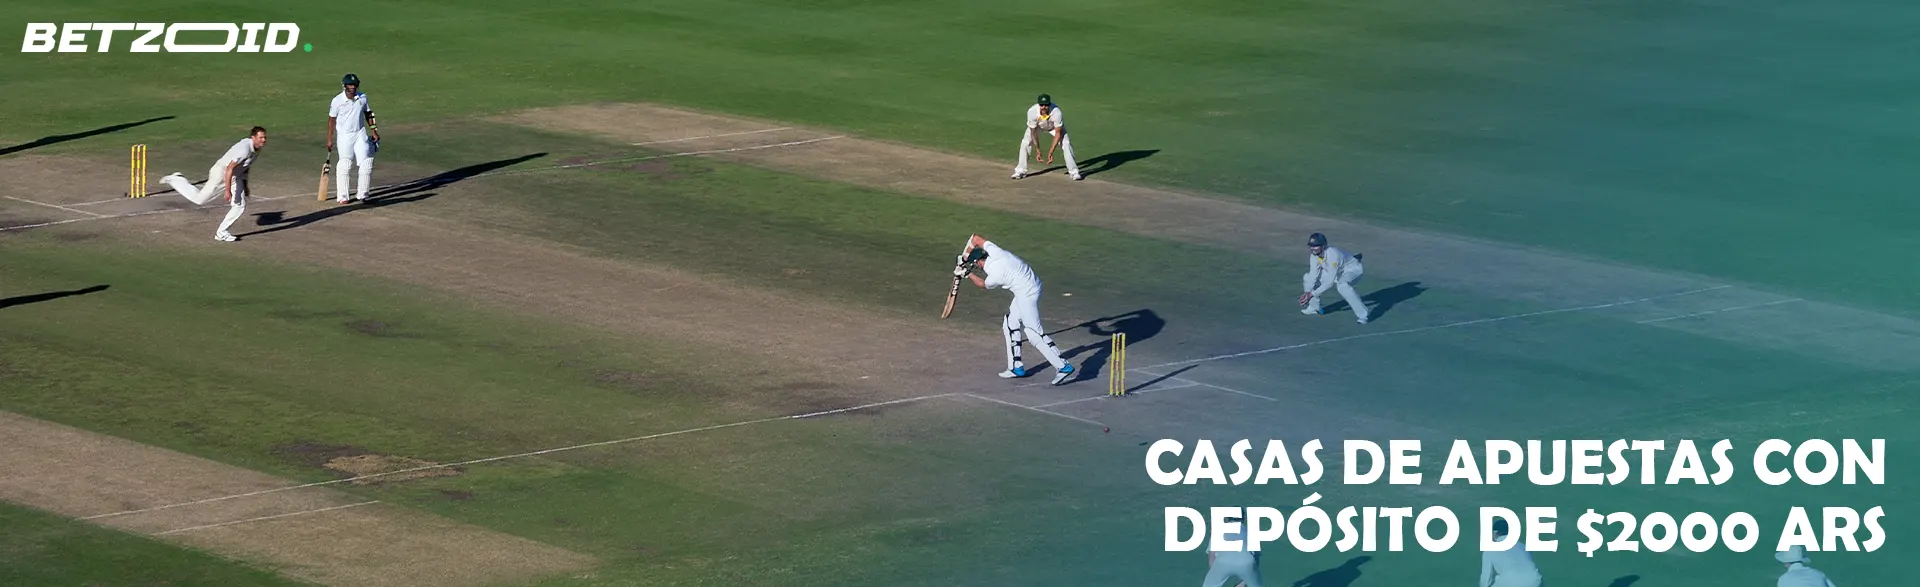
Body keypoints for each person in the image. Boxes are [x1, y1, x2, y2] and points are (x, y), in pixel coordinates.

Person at [959, 234, 1075, 385]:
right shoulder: (996, 251)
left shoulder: (996, 274)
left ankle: (1063, 366)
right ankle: (1016, 367)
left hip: (1027, 294)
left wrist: (966, 273)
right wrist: (966, 254)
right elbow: (975, 238)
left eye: (975, 265)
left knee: (1033, 333)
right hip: (1029, 285)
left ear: (978, 263)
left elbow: (982, 284)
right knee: (1010, 323)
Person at [159, 127, 266, 242]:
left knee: (239, 205)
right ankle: (176, 179)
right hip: (220, 174)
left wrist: (245, 185)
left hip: (235, 176)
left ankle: (221, 233)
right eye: (261, 137)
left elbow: (245, 166)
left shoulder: (257, 148)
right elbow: (229, 168)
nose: (263, 140)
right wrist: (227, 190)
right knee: (199, 200)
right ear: (253, 137)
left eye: (264, 137)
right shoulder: (244, 149)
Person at [327, 72, 379, 204]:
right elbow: (331, 120)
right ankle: (343, 196)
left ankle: (363, 194)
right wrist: (329, 139)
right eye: (350, 85)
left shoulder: (362, 98)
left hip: (360, 133)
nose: (353, 87)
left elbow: (368, 114)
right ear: (344, 86)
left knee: (367, 162)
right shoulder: (337, 101)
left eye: (354, 84)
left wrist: (374, 131)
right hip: (344, 135)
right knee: (345, 164)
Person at [1297, 232, 1369, 324]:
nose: (1312, 248)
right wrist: (1308, 292)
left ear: (1323, 246)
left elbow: (1329, 282)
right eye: (1311, 245)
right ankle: (1314, 307)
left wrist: (1312, 294)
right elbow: (1313, 275)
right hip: (1336, 272)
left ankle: (1363, 315)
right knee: (1307, 277)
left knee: (1343, 286)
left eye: (1315, 246)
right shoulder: (1314, 256)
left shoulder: (1333, 255)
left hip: (1353, 271)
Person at [1010, 94, 1082, 181]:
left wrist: (1051, 152)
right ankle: (1021, 170)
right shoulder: (1032, 112)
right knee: (1025, 142)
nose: (1044, 107)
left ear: (1049, 104)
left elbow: (1058, 133)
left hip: (1053, 127)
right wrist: (1038, 150)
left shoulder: (1056, 112)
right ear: (1038, 104)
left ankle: (1074, 172)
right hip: (1038, 127)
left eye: (1046, 105)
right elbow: (1033, 133)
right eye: (1041, 105)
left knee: (1066, 144)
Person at [1202, 516, 1266, 587]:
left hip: (1223, 561)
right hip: (1246, 561)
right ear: (1243, 518)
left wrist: (1215, 573)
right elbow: (1256, 559)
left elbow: (1212, 555)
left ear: (1227, 518)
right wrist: (1242, 583)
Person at [1479, 520, 1542, 587]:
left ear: (1495, 533)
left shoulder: (1490, 549)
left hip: (1511, 582)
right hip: (1536, 581)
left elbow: (1486, 580)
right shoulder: (1523, 546)